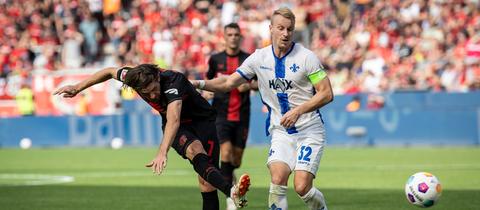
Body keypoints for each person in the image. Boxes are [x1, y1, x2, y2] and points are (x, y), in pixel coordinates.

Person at [53, 64, 251, 210]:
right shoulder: (134, 77)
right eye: (146, 93)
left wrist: (161, 152)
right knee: (194, 151)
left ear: (157, 77)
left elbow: (174, 119)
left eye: (154, 89)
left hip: (202, 122)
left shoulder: (174, 81)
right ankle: (232, 191)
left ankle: (231, 192)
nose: (153, 95)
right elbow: (108, 71)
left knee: (206, 183)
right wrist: (77, 88)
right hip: (180, 127)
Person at [191, 7, 333, 210]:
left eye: (289, 29)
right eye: (281, 28)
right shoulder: (259, 58)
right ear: (271, 29)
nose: (285, 33)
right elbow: (228, 83)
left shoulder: (306, 57)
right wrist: (198, 84)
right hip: (280, 131)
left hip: (309, 130)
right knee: (277, 178)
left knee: (302, 187)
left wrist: (298, 110)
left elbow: (326, 93)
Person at [206, 23, 256, 210]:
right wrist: (208, 92)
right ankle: (230, 196)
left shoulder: (248, 59)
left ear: (240, 37)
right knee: (224, 153)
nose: (233, 37)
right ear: (224, 37)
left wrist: (249, 86)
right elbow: (209, 81)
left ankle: (232, 183)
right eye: (230, 34)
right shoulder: (215, 59)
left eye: (236, 34)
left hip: (242, 115)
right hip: (220, 115)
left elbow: (261, 83)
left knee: (235, 161)